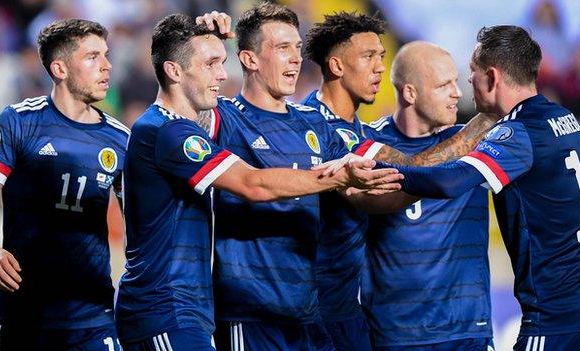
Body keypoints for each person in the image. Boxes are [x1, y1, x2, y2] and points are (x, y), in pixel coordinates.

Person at [115, 14, 400, 351]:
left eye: (221, 62)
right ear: (174, 71)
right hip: (165, 307)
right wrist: (338, 176)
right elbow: (252, 184)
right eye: (211, 64)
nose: (222, 74)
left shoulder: (185, 129)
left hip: (193, 307)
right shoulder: (167, 130)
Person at [381, 25, 580, 350]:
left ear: (492, 76)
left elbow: (451, 181)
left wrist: (376, 170)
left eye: (471, 73)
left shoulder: (516, 132)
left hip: (556, 319)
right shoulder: (561, 118)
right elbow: (550, 159)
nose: (465, 85)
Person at [301, 12, 498, 351]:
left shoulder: (353, 130)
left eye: (381, 56)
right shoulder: (329, 130)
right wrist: (488, 119)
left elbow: (551, 153)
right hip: (340, 316)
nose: (379, 66)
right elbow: (413, 172)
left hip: (460, 329)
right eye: (368, 57)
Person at [0, 19, 127, 350]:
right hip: (23, 314)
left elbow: (141, 228)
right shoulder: (19, 121)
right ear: (60, 68)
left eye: (106, 55)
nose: (107, 66)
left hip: (93, 317)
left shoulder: (121, 139)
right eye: (92, 57)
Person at [361, 41, 493, 351]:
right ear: (410, 93)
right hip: (395, 334)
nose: (457, 93)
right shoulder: (367, 142)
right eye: (444, 85)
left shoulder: (478, 142)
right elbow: (417, 170)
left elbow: (545, 159)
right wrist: (483, 123)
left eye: (456, 82)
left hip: (467, 331)